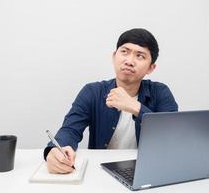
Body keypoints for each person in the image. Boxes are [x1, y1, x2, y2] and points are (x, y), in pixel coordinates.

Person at [44, 28, 178, 174]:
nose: (129, 61)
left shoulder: (161, 92)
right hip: (101, 170)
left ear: (151, 68)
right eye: (124, 52)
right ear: (114, 56)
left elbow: (172, 136)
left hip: (148, 169)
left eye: (140, 56)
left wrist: (136, 107)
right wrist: (55, 151)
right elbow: (70, 130)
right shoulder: (92, 91)